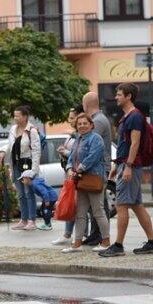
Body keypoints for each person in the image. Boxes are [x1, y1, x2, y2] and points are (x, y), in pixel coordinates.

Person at [99, 82, 153, 257]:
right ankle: (152, 242)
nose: (116, 97)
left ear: (128, 96)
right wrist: (116, 166)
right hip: (126, 164)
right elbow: (124, 145)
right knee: (137, 205)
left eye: (119, 94)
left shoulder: (134, 117)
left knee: (121, 205)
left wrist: (128, 166)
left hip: (130, 166)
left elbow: (135, 143)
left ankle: (117, 245)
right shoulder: (127, 117)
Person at [62, 113, 111, 253]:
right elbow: (71, 157)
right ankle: (77, 243)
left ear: (91, 125)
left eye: (85, 123)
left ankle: (106, 242)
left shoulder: (96, 138)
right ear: (76, 126)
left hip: (94, 178)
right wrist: (70, 169)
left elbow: (93, 157)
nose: (82, 126)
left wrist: (79, 168)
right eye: (79, 124)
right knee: (80, 213)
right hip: (81, 180)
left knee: (98, 211)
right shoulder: (78, 139)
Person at [82, 92, 113, 246]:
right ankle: (96, 233)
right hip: (97, 167)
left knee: (99, 204)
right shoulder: (98, 119)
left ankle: (100, 234)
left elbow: (90, 144)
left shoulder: (98, 121)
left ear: (86, 104)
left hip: (98, 168)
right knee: (95, 203)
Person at [6, 105, 41, 230]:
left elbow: (36, 151)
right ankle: (24, 218)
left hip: (27, 165)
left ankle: (32, 220)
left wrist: (34, 171)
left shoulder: (31, 131)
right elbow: (10, 146)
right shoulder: (13, 129)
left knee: (28, 192)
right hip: (15, 164)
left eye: (17, 115)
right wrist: (4, 155)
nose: (15, 118)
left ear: (25, 117)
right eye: (14, 115)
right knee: (20, 194)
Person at [51, 105, 81, 245]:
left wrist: (66, 153)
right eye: (69, 117)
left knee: (78, 205)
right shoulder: (71, 135)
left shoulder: (80, 135)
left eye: (72, 117)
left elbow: (78, 154)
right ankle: (68, 234)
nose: (70, 120)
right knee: (70, 203)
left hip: (77, 174)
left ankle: (78, 235)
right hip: (69, 173)